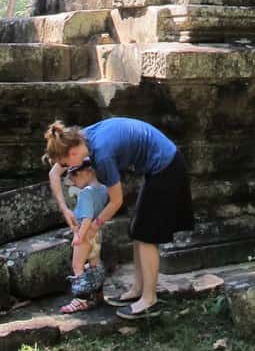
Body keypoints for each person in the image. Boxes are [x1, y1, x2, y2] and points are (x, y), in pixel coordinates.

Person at [44, 116, 194, 320]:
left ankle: (149, 299)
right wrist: (65, 210)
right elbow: (54, 174)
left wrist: (95, 226)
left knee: (147, 235)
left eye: (66, 165)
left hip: (167, 167)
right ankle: (138, 289)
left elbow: (116, 201)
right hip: (158, 167)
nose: (68, 170)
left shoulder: (102, 154)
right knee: (138, 230)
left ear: (72, 153)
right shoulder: (79, 138)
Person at [59, 155, 109, 314]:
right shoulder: (102, 188)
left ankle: (81, 299)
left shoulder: (87, 193)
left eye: (74, 179)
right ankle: (98, 293)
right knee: (94, 264)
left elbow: (86, 217)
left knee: (78, 266)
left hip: (85, 234)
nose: (74, 184)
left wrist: (79, 235)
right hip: (96, 233)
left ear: (85, 173)